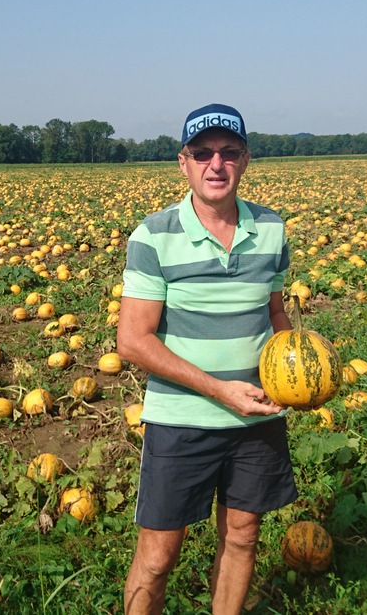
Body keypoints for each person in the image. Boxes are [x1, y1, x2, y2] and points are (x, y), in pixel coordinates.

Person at [119, 103, 296, 614]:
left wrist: (296, 376)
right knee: (157, 557)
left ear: (245, 161)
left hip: (258, 412)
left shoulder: (271, 229)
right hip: (182, 418)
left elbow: (275, 311)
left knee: (242, 535)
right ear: (183, 162)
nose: (215, 165)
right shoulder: (153, 235)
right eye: (202, 153)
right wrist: (219, 390)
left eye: (229, 153)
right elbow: (133, 341)